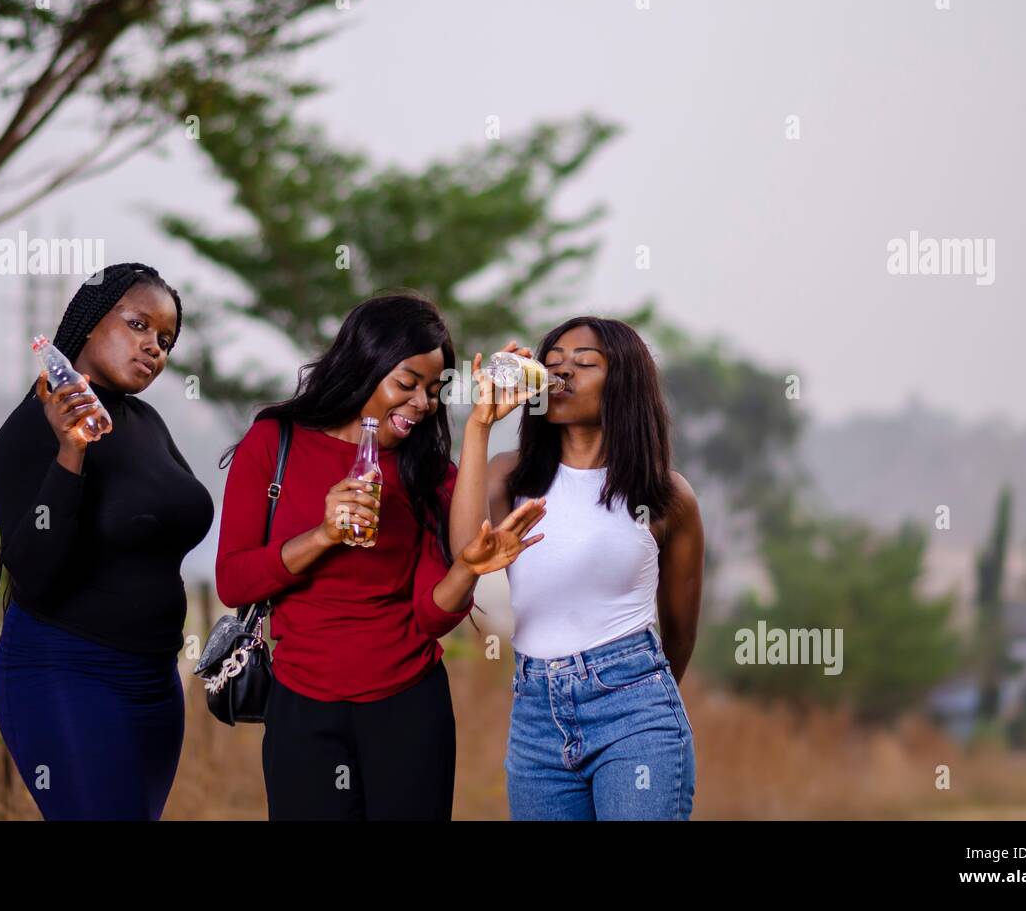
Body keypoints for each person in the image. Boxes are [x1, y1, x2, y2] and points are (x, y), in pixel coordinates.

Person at [215, 292, 546, 820]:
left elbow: (432, 616)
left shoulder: (429, 474)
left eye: (434, 390)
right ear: (362, 366)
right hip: (302, 707)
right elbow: (234, 581)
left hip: (408, 708)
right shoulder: (273, 443)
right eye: (407, 384)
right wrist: (324, 535)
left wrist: (480, 427)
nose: (422, 403)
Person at [0, 262, 214, 820]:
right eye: (137, 325)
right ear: (86, 322)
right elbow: (33, 569)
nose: (154, 347)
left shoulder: (146, 422)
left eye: (166, 339)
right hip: (67, 674)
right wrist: (71, 454)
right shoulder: (31, 427)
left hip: (154, 682)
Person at [456, 316, 704, 820]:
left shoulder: (665, 496)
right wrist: (479, 425)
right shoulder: (510, 474)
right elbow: (464, 551)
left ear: (625, 384)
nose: (562, 374)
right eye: (552, 365)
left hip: (635, 712)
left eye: (585, 364)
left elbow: (679, 632)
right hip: (535, 715)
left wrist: (634, 692)